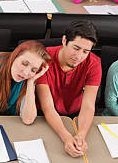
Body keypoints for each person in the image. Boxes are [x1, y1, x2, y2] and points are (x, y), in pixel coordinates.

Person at [36, 20, 101, 158]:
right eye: (76, 48)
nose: (79, 57)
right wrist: (66, 137)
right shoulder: (43, 59)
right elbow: (48, 107)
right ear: (64, 40)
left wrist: (81, 135)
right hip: (44, 116)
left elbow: (88, 105)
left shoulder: (94, 63)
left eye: (85, 51)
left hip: (75, 115)